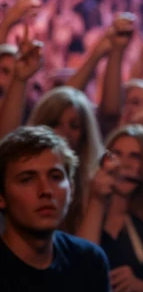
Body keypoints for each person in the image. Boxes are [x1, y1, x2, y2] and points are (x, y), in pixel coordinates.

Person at [0, 126, 116, 292]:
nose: (46, 191)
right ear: (1, 196)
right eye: (27, 179)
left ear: (71, 188)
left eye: (55, 177)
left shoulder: (89, 260)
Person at [79, 125, 143, 292]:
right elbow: (82, 266)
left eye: (135, 156)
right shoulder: (82, 210)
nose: (125, 164)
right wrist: (97, 199)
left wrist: (140, 288)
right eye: (116, 154)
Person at [28, 87, 103, 233]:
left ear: (85, 135)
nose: (64, 133)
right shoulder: (21, 173)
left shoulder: (93, 184)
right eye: (55, 124)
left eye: (74, 126)